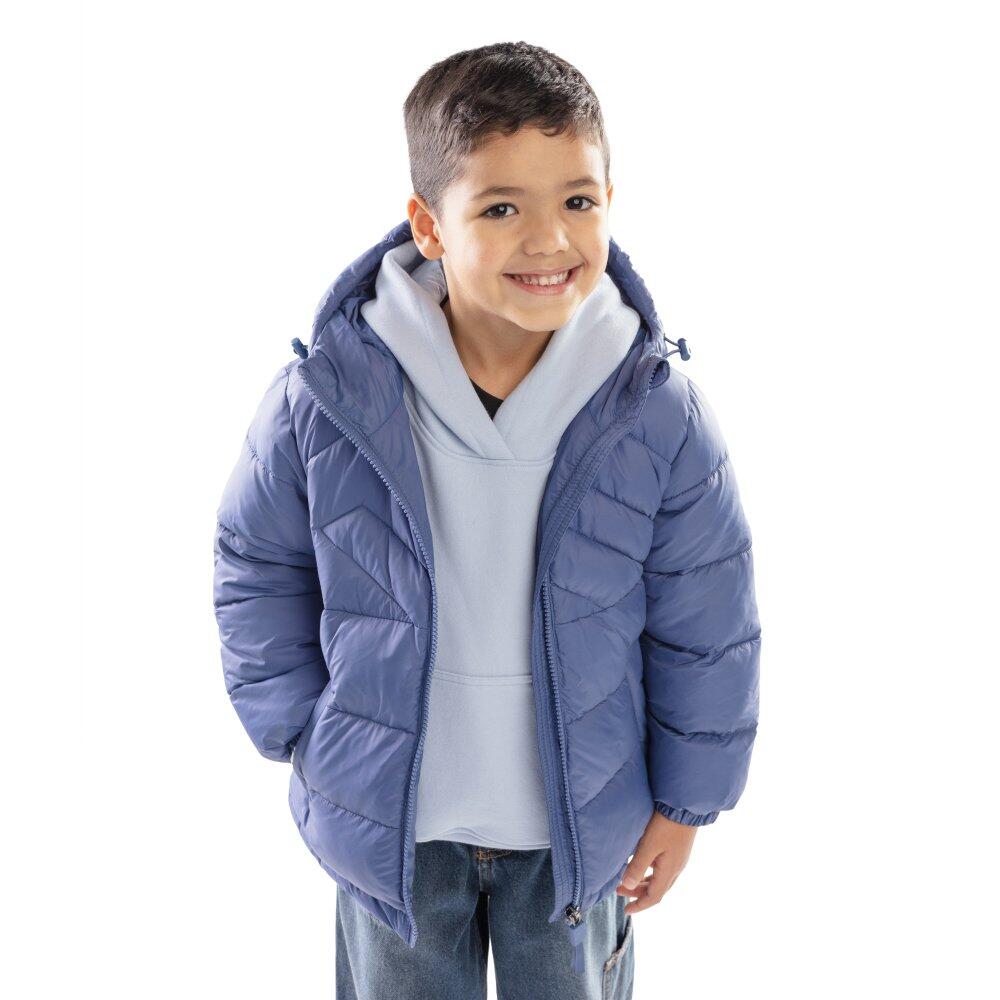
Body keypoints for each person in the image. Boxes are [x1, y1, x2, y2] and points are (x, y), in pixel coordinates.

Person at [212, 40, 761, 1000]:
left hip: (580, 828)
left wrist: (685, 805)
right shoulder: (329, 397)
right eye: (502, 208)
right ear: (429, 225)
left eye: (577, 201)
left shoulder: (654, 408)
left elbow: (707, 619)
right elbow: (258, 563)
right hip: (397, 828)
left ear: (609, 201)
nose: (549, 240)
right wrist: (305, 735)